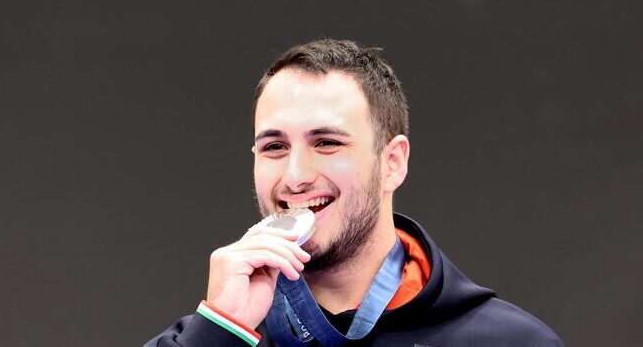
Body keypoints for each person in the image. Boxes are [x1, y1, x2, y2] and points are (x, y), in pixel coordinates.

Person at [143, 39, 564, 347]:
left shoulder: (510, 342)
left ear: (392, 162)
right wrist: (220, 331)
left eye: (327, 143)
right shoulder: (216, 335)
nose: (295, 176)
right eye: (274, 147)